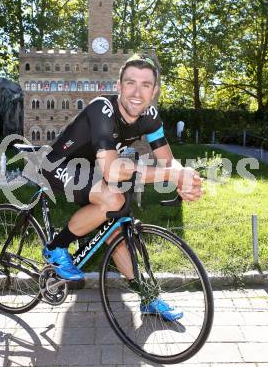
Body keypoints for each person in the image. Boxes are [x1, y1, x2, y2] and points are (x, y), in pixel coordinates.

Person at [40, 53, 204, 321]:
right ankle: (57, 248)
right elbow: (113, 170)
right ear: (118, 86)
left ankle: (148, 297)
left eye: (145, 85)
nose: (137, 92)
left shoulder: (149, 116)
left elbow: (168, 161)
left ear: (155, 91)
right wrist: (170, 177)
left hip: (92, 169)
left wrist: (184, 177)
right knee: (114, 200)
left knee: (116, 230)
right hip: (59, 165)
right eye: (130, 83)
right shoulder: (102, 109)